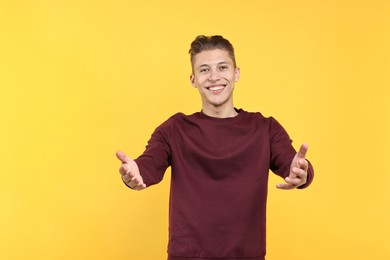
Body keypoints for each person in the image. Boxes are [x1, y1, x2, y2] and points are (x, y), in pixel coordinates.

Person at [116, 35, 314, 260]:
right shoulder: (175, 129)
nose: (214, 77)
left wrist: (302, 172)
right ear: (193, 79)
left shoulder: (264, 128)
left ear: (236, 73)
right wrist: (133, 174)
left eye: (222, 67)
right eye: (204, 70)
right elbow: (149, 164)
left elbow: (290, 162)